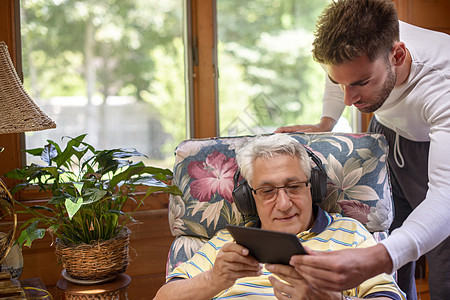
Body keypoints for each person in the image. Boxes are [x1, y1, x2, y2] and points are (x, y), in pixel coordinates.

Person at [275, 0, 450, 299]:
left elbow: (445, 198)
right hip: (386, 134)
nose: (348, 100)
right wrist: (327, 121)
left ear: (398, 55)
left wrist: (373, 259)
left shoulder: (441, 83)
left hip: (430, 143)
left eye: (362, 82)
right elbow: (342, 73)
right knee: (387, 235)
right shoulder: (363, 40)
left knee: (441, 249)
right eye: (340, 83)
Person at [155, 134, 405, 300]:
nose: (284, 204)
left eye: (294, 186)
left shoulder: (351, 233)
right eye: (267, 191)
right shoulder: (226, 243)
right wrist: (214, 278)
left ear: (314, 186)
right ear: (249, 198)